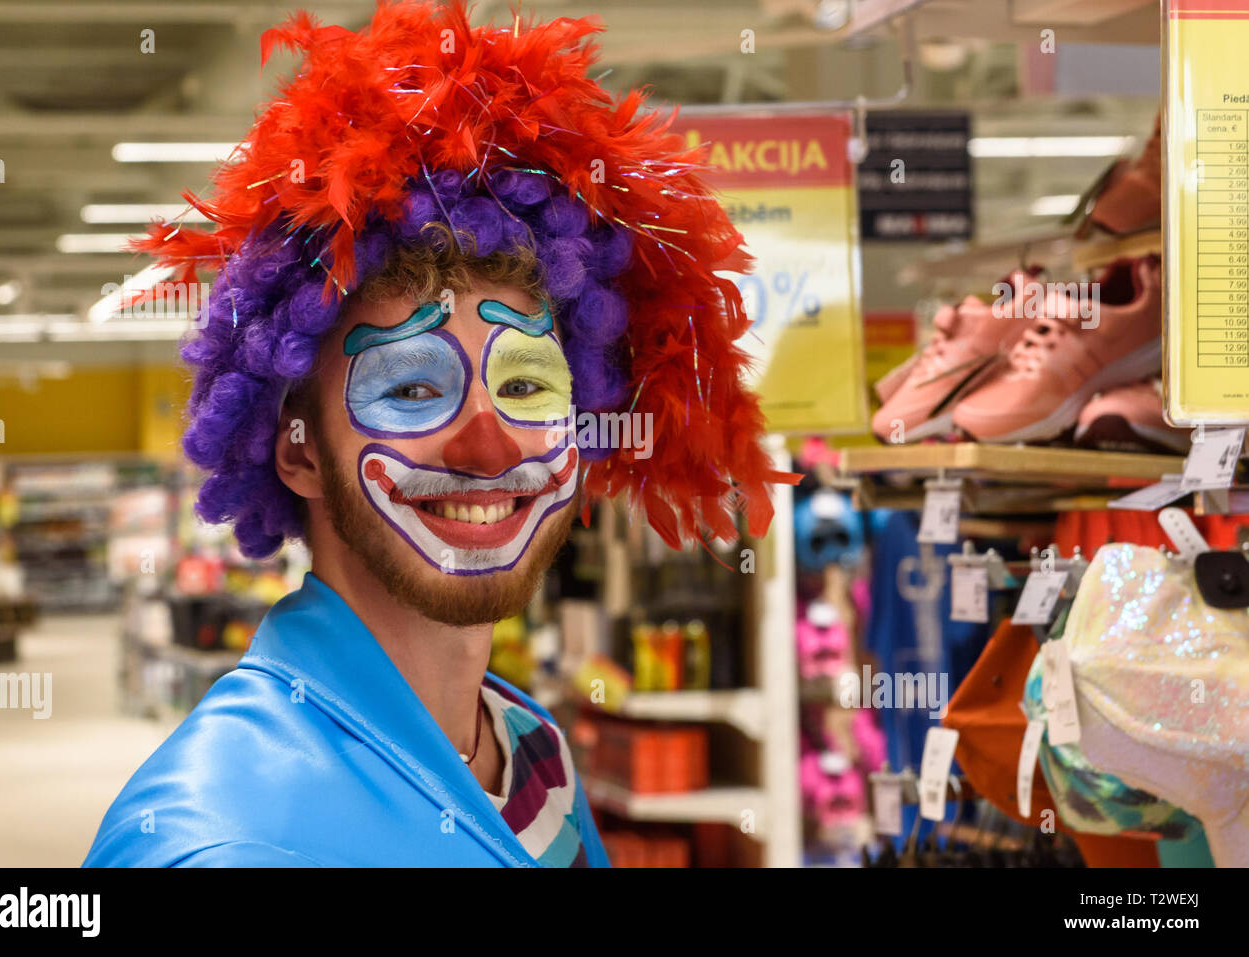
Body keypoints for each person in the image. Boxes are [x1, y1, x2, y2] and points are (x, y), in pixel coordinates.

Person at [84, 0, 794, 867]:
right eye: (414, 387)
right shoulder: (225, 844)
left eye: (527, 385)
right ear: (300, 448)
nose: (488, 446)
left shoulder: (529, 748)